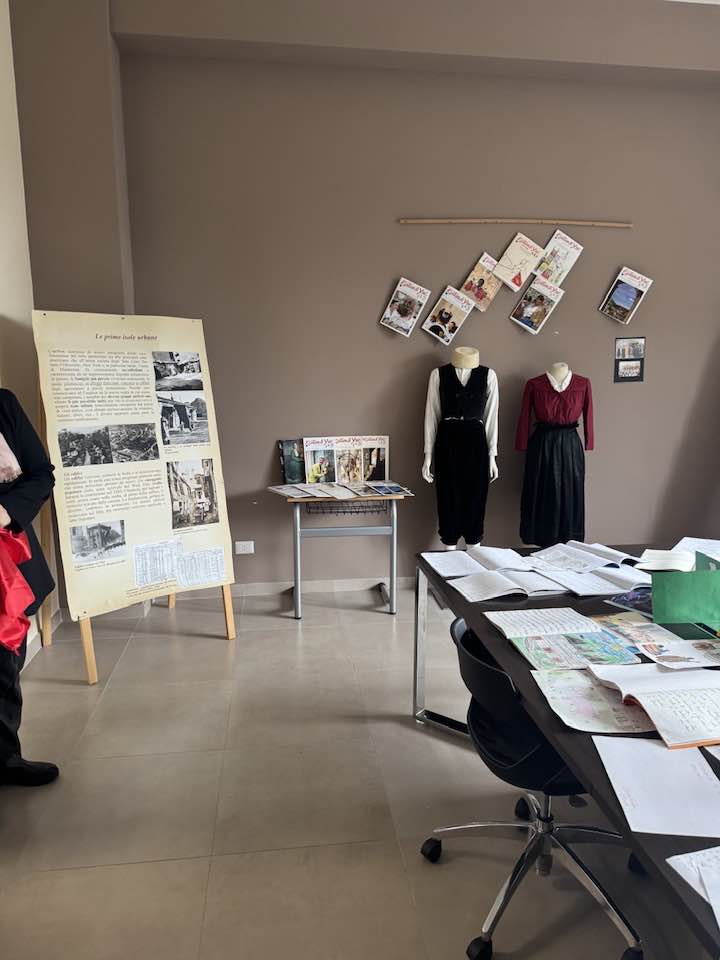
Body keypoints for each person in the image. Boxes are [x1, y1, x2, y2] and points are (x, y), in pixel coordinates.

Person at [0, 389, 57, 787]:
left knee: (6, 664)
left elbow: (41, 474)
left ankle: (5, 759)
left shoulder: (3, 405)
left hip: (9, 563)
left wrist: (5, 511)